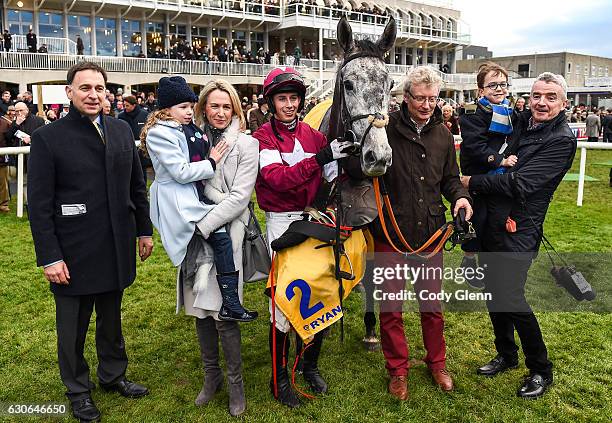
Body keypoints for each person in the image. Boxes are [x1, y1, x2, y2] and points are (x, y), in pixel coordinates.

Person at [27, 62, 154, 422]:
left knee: (111, 320)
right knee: (73, 328)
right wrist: (49, 257)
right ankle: (78, 390)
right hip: (72, 252)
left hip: (116, 246)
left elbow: (136, 188)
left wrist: (144, 230)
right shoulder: (48, 137)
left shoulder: (119, 130)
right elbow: (38, 205)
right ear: (69, 92)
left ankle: (113, 375)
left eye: (100, 88)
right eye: (85, 88)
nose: (94, 94)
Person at [347, 66, 472, 400]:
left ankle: (437, 363)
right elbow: (360, 168)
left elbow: (449, 179)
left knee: (432, 306)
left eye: (433, 98)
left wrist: (460, 198)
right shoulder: (382, 128)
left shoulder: (444, 134)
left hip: (430, 234)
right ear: (405, 97)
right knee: (391, 309)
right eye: (420, 97)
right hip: (391, 231)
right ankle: (398, 370)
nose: (427, 104)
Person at [142, 77, 259, 416]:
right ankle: (212, 378)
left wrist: (205, 225)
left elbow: (240, 197)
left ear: (235, 108)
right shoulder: (189, 135)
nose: (221, 112)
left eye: (227, 106)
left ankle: (236, 384)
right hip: (191, 230)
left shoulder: (246, 145)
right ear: (202, 107)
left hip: (222, 232)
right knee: (200, 312)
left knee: (224, 312)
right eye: (214, 106)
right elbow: (178, 178)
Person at [461, 72, 576, 399]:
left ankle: (541, 368)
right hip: (490, 223)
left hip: (520, 229)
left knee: (510, 296)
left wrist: (471, 182)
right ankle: (507, 354)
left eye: (551, 97)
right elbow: (483, 126)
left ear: (563, 103)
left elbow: (520, 183)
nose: (542, 102)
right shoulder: (523, 121)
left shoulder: (561, 139)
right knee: (493, 293)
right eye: (537, 95)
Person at [254, 66, 353, 408]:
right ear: (271, 103)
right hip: (282, 223)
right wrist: (321, 158)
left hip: (314, 217)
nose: (289, 104)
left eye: (294, 98)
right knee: (284, 301)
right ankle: (279, 378)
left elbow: (332, 178)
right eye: (282, 98)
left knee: (321, 292)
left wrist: (332, 195)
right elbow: (277, 179)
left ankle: (309, 365)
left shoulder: (314, 135)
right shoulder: (262, 139)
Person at [458, 62, 518, 288]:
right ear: (481, 90)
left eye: (503, 84)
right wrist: (500, 160)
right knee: (478, 219)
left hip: (502, 177)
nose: (499, 89)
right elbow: (475, 147)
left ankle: (490, 266)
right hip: (479, 174)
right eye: (493, 85)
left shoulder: (512, 112)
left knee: (497, 223)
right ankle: (469, 258)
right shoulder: (471, 113)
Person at [118, 95, 151, 181]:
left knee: (142, 170)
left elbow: (149, 129)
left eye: (127, 105)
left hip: (141, 148)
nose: (125, 108)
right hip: (128, 146)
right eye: (124, 105)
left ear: (134, 105)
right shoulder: (121, 116)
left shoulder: (144, 114)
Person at [0, 106, 15, 212]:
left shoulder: (5, 123)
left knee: (2, 182)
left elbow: (9, 139)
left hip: (1, 158)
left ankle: (3, 204)